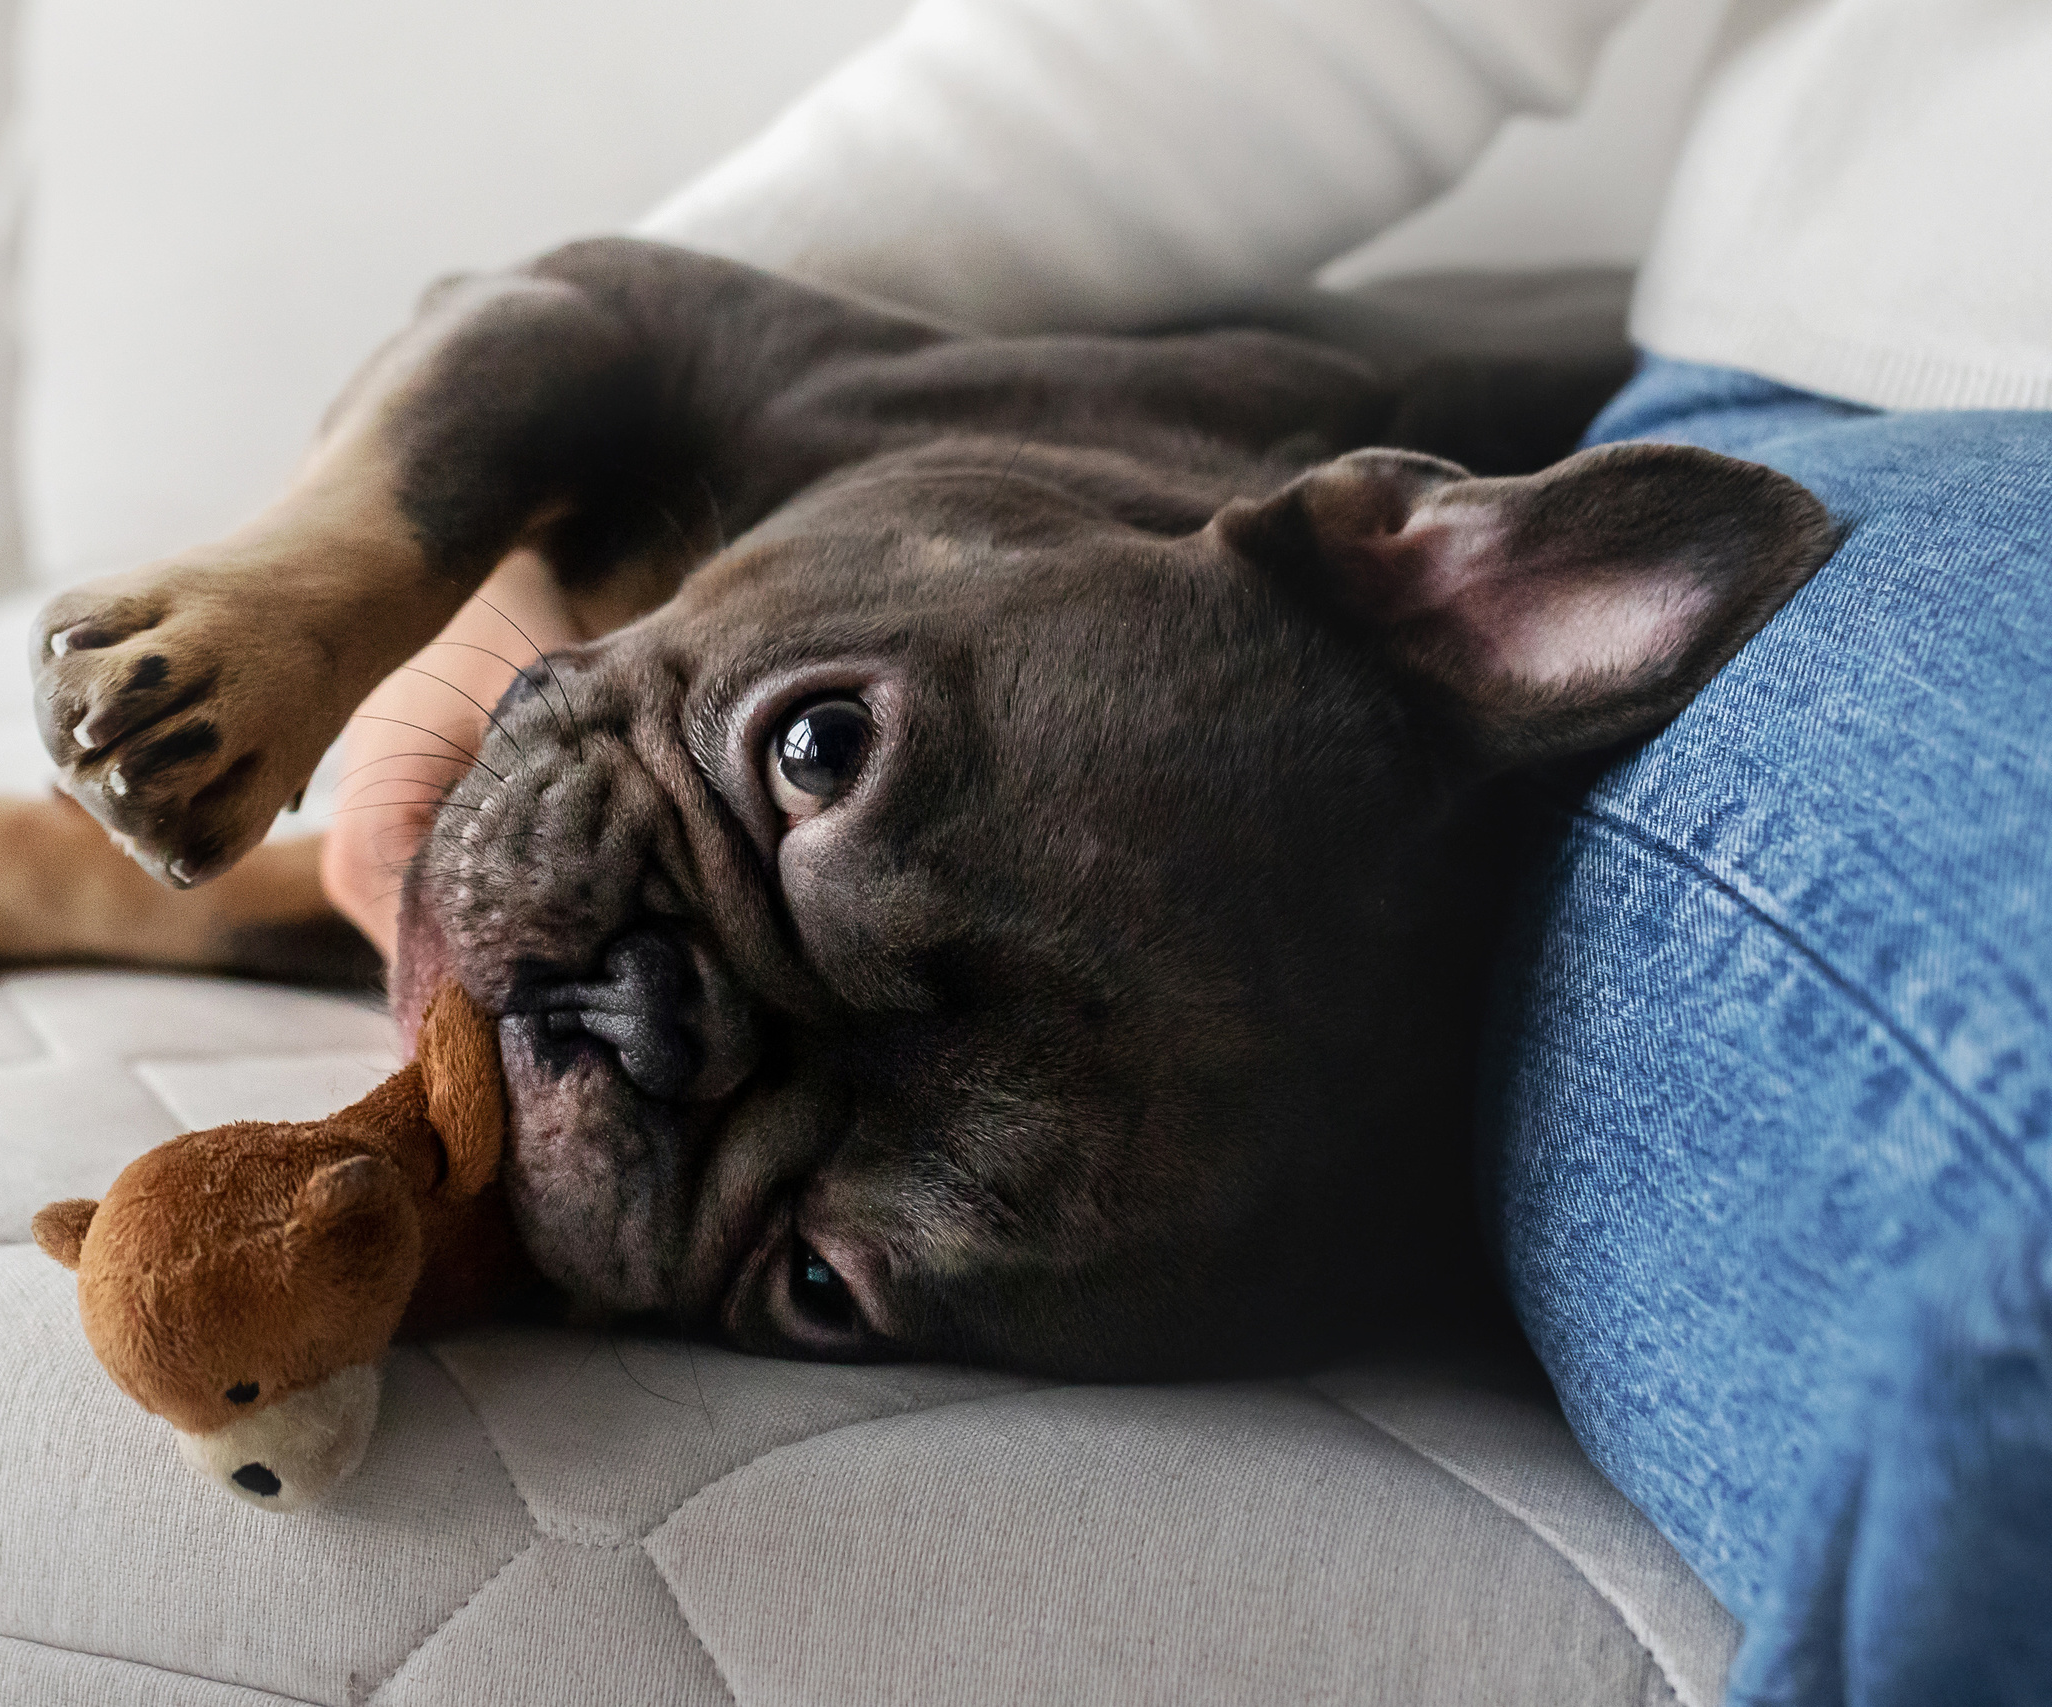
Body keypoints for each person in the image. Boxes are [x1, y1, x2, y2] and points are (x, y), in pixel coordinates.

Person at [320, 5, 2052, 1699]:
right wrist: (546, 406)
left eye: (826, 1282)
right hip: (1918, 387)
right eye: (815, 750)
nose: (627, 1035)